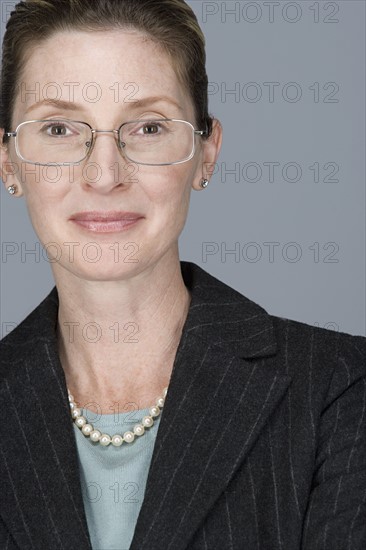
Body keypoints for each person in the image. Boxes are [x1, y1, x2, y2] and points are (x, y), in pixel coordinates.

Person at [0, 1, 365, 549]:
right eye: (58, 127)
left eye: (147, 126)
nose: (104, 174)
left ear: (206, 152)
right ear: (8, 162)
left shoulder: (340, 388)